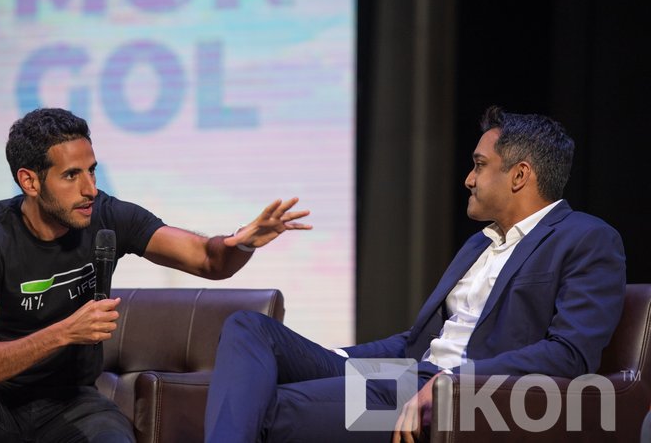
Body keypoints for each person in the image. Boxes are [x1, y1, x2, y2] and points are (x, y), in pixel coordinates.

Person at [204, 106, 626, 442]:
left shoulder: (586, 238)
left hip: (459, 398)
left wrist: (451, 383)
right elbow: (416, 342)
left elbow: (569, 354)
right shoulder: (479, 244)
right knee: (248, 328)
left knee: (266, 407)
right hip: (405, 377)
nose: (468, 179)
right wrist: (335, 358)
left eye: (479, 165)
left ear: (519, 175)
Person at [0, 107, 311, 442]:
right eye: (71, 175)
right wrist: (65, 332)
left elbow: (207, 260)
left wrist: (240, 244)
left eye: (91, 170)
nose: (90, 189)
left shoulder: (107, 216)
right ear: (30, 181)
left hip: (71, 399)